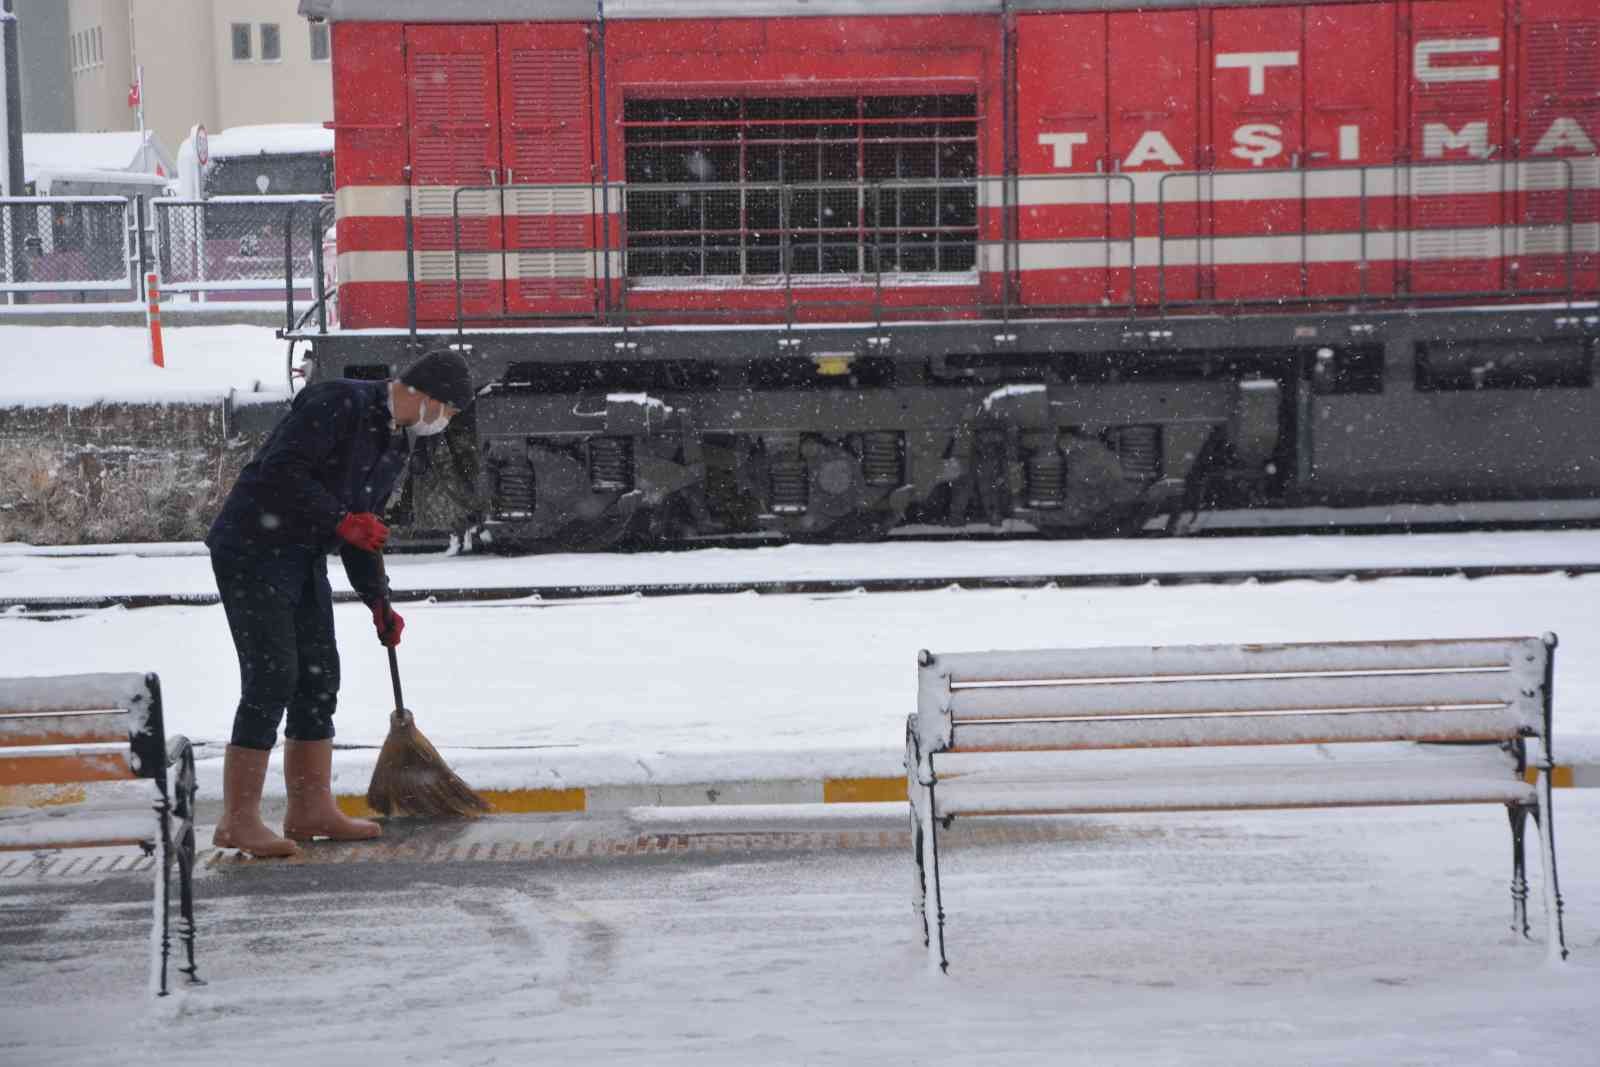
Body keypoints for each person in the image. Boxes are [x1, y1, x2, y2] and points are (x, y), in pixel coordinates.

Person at [206, 349, 474, 858]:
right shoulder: (338, 402)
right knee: (271, 677)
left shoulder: (395, 446)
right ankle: (237, 821)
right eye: (448, 411)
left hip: (302, 554)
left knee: (318, 675)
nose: (445, 422)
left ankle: (309, 809)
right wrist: (338, 519)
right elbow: (281, 472)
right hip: (251, 548)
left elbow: (363, 530)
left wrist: (379, 602)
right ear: (421, 393)